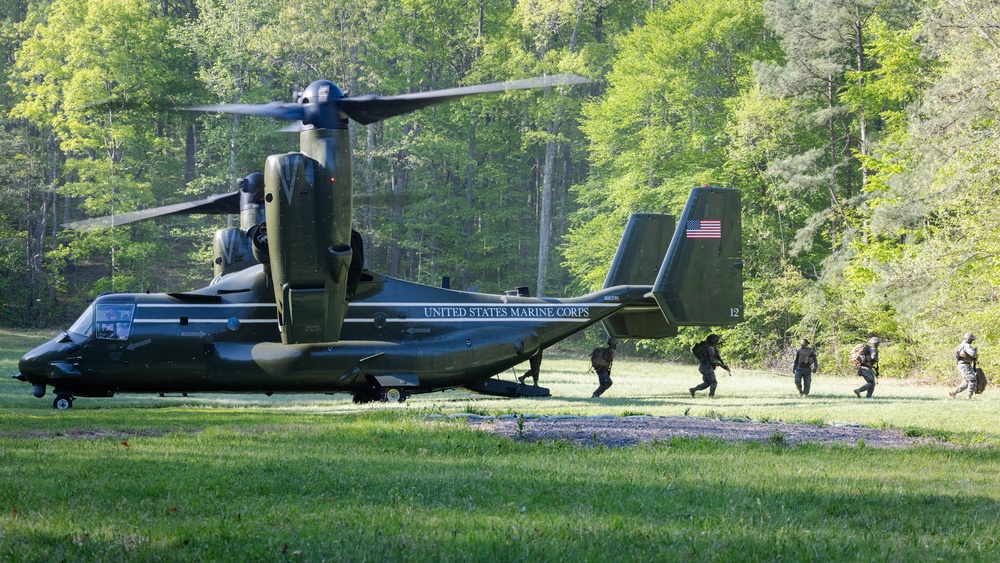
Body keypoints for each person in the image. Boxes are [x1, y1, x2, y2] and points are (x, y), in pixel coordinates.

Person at [689, 333, 730, 398]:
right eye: (716, 340)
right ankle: (711, 396)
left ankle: (693, 389)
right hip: (707, 368)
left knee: (708, 382)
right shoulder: (710, 348)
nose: (717, 342)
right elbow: (712, 361)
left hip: (703, 367)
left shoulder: (709, 347)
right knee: (714, 382)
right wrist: (722, 366)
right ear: (712, 340)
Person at [950, 332, 979, 399]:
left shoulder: (962, 345)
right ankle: (969, 396)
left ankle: (953, 392)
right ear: (967, 339)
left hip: (962, 364)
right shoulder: (966, 345)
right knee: (972, 380)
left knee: (966, 382)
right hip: (965, 365)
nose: (971, 341)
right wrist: (976, 355)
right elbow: (972, 353)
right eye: (971, 339)